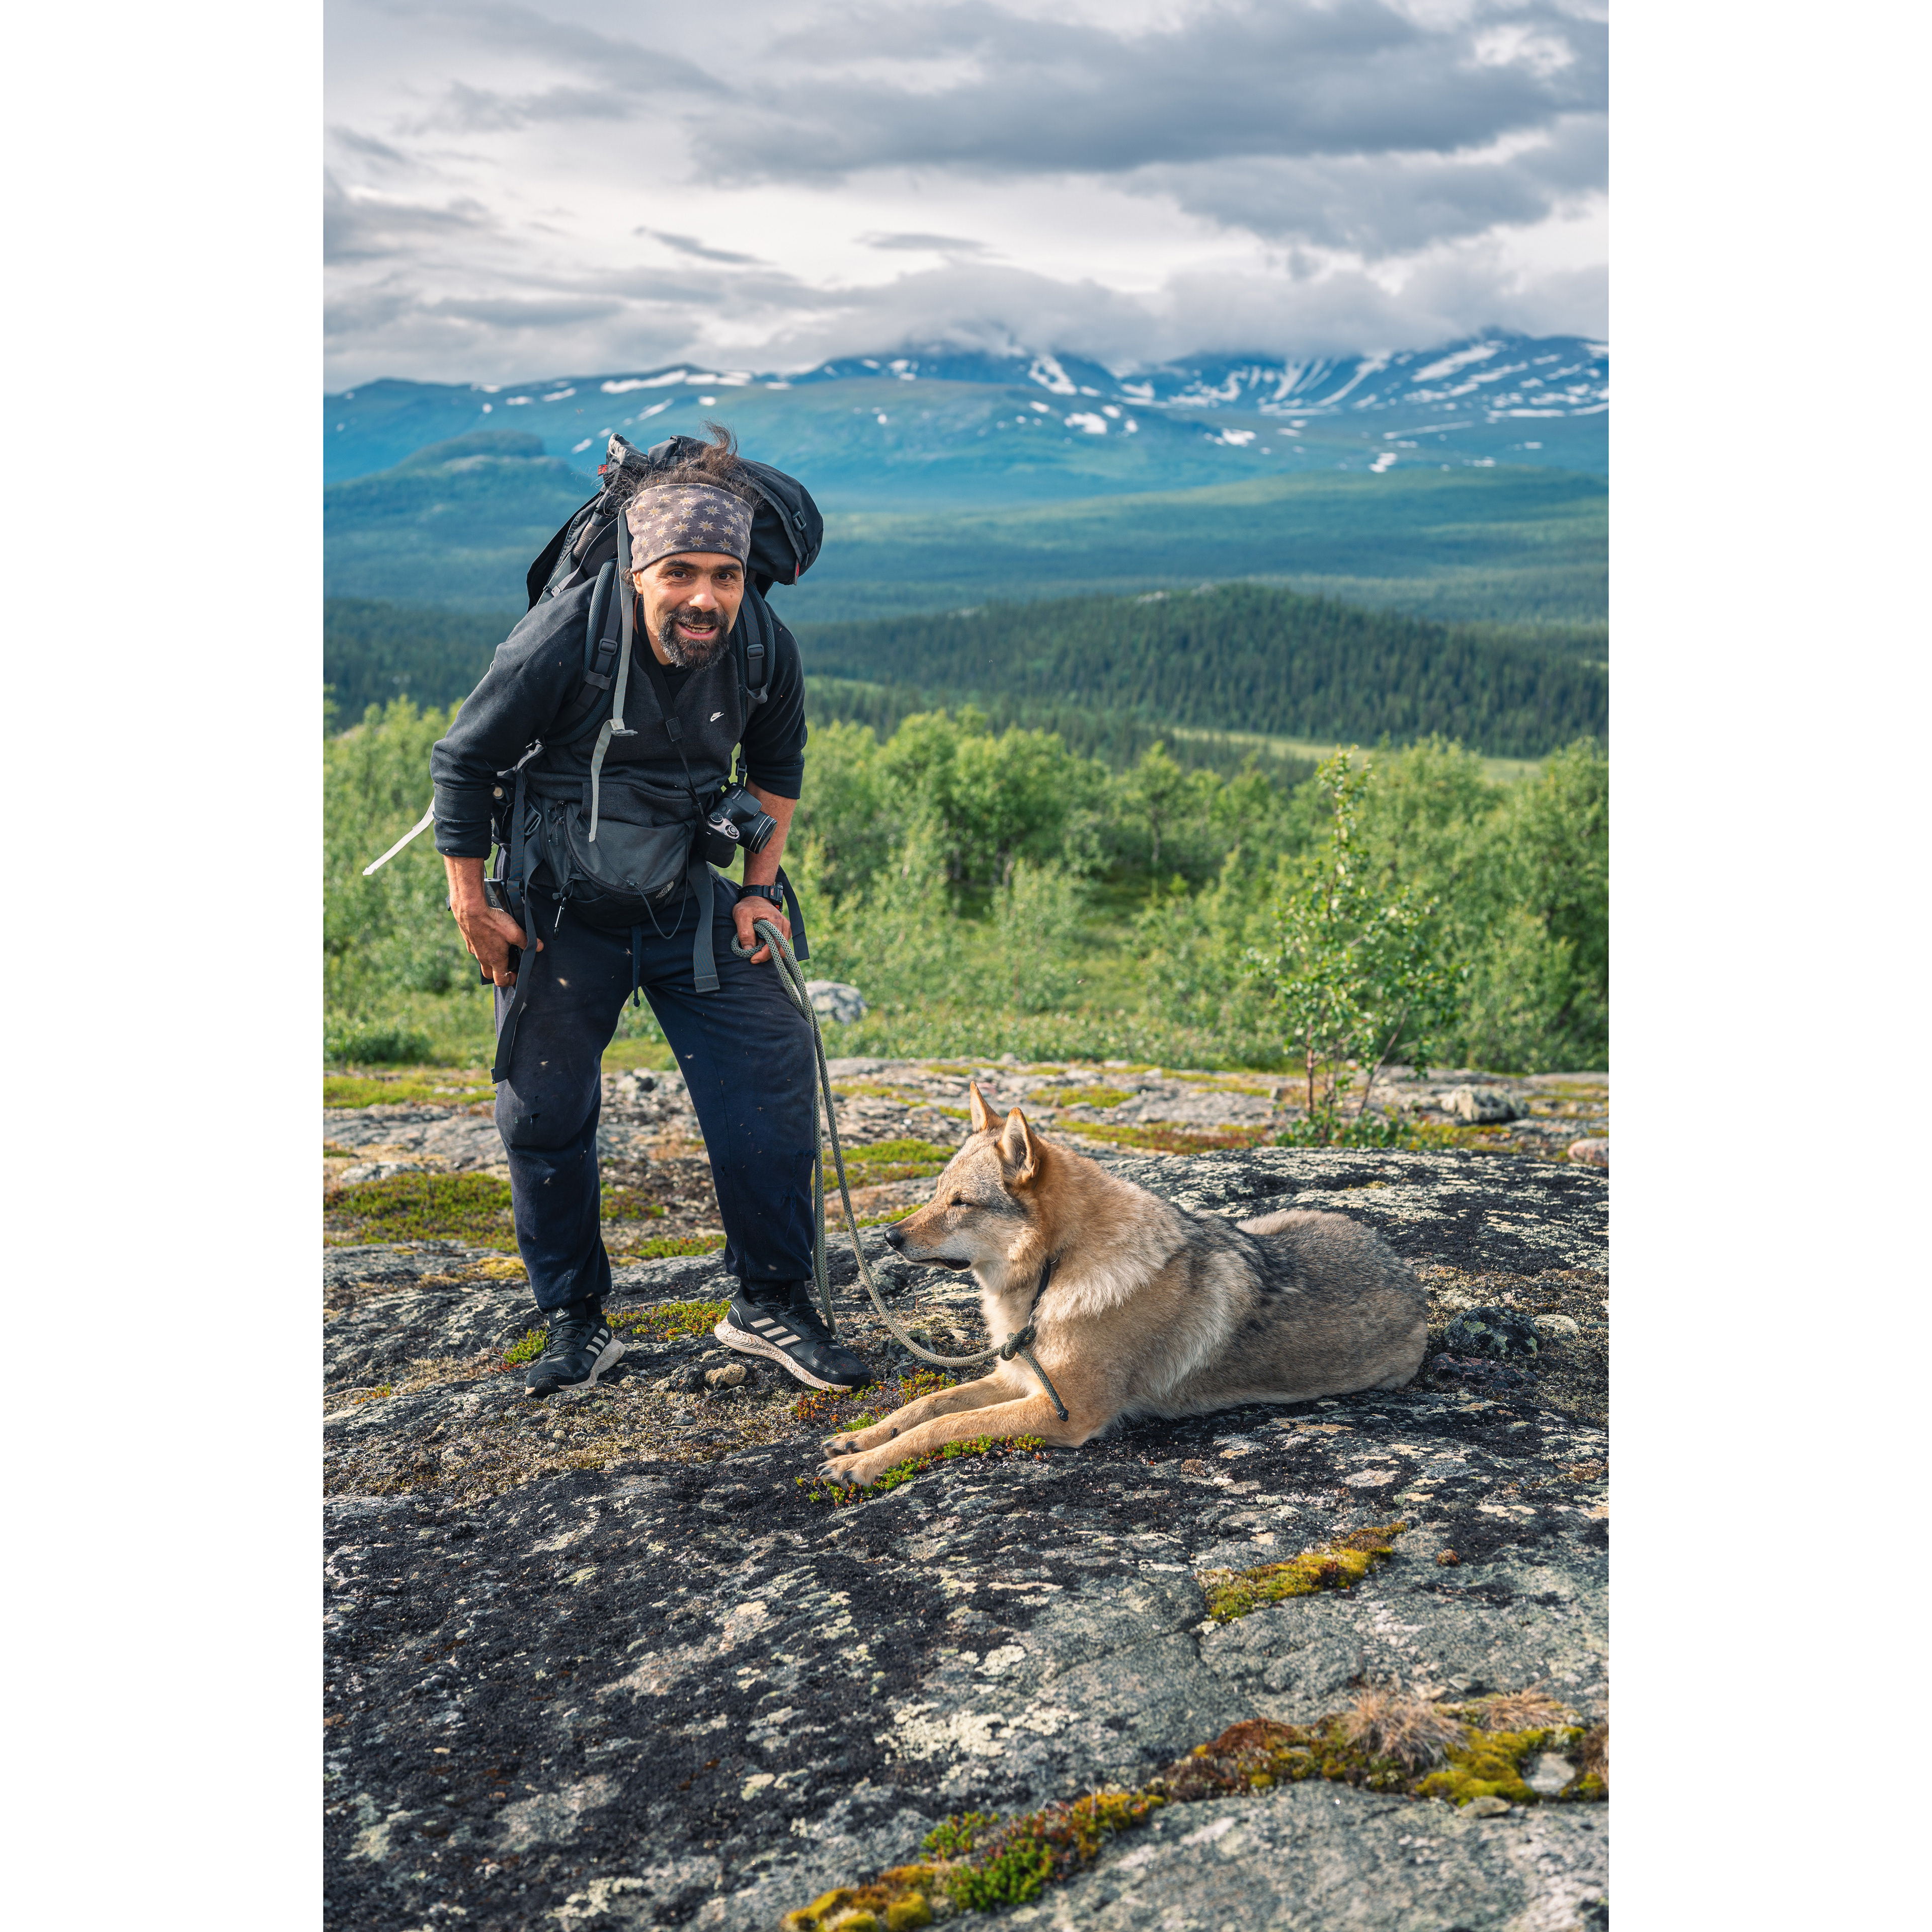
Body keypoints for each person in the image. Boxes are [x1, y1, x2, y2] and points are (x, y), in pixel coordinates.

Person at [429, 430, 874, 1400]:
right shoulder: (567, 636)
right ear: (639, 569)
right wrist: (472, 903)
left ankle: (771, 1303)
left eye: (723, 575)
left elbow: (779, 767)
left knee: (770, 1067)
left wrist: (758, 890)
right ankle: (574, 1319)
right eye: (680, 573)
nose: (703, 597)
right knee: (541, 1112)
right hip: (556, 906)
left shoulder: (762, 643)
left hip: (684, 897)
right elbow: (462, 760)